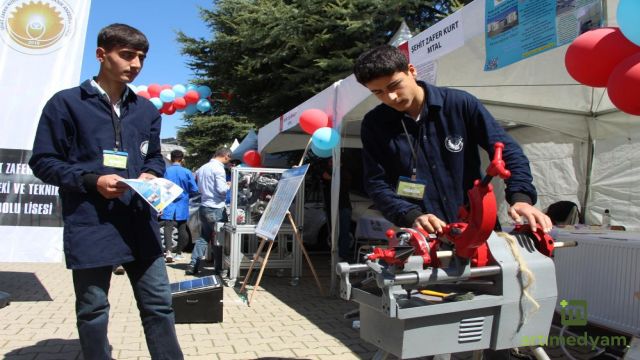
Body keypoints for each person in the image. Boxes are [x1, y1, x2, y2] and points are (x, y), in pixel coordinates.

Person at [28, 24, 183, 359]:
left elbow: (155, 155)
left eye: (141, 57)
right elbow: (43, 161)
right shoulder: (66, 104)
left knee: (160, 305)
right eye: (127, 55)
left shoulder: (146, 110)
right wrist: (91, 181)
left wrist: (150, 172)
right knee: (93, 309)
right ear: (101, 55)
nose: (136, 64)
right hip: (90, 223)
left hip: (140, 222)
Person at [354, 44, 552, 235]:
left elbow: (507, 151)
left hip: (478, 229)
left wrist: (521, 198)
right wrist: (411, 215)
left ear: (411, 71)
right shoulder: (375, 124)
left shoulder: (459, 104)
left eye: (394, 85)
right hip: (426, 236)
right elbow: (376, 183)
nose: (391, 97)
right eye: (378, 92)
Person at [186, 147, 232, 275]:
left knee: (204, 237)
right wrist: (229, 185)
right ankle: (219, 268)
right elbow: (222, 190)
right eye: (229, 159)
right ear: (226, 156)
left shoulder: (203, 168)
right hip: (216, 207)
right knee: (220, 239)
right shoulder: (219, 169)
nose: (228, 162)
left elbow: (198, 188)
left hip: (204, 206)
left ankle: (193, 265)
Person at [160, 149, 199, 262]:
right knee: (182, 227)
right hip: (182, 202)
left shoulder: (166, 171)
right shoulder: (187, 172)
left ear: (171, 159)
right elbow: (194, 189)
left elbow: (161, 187)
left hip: (168, 201)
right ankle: (178, 253)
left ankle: (168, 252)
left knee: (168, 226)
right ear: (182, 159)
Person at [321, 158, 353, 260]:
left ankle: (343, 255)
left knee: (343, 231)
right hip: (334, 207)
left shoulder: (344, 173)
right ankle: (336, 254)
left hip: (343, 207)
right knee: (334, 232)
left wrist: (330, 178)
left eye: (332, 161)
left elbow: (343, 186)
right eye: (329, 162)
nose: (330, 164)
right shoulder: (331, 173)